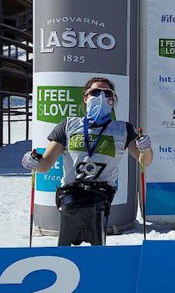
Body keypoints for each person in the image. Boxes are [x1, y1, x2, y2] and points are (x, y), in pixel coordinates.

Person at [21, 77, 153, 246]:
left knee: (96, 219)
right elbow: (45, 164)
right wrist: (33, 162)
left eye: (107, 93)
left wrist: (146, 148)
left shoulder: (123, 129)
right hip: (71, 191)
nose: (101, 97)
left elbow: (145, 161)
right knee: (69, 217)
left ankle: (97, 257)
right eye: (95, 92)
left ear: (113, 100)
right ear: (85, 97)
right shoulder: (68, 125)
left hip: (101, 192)